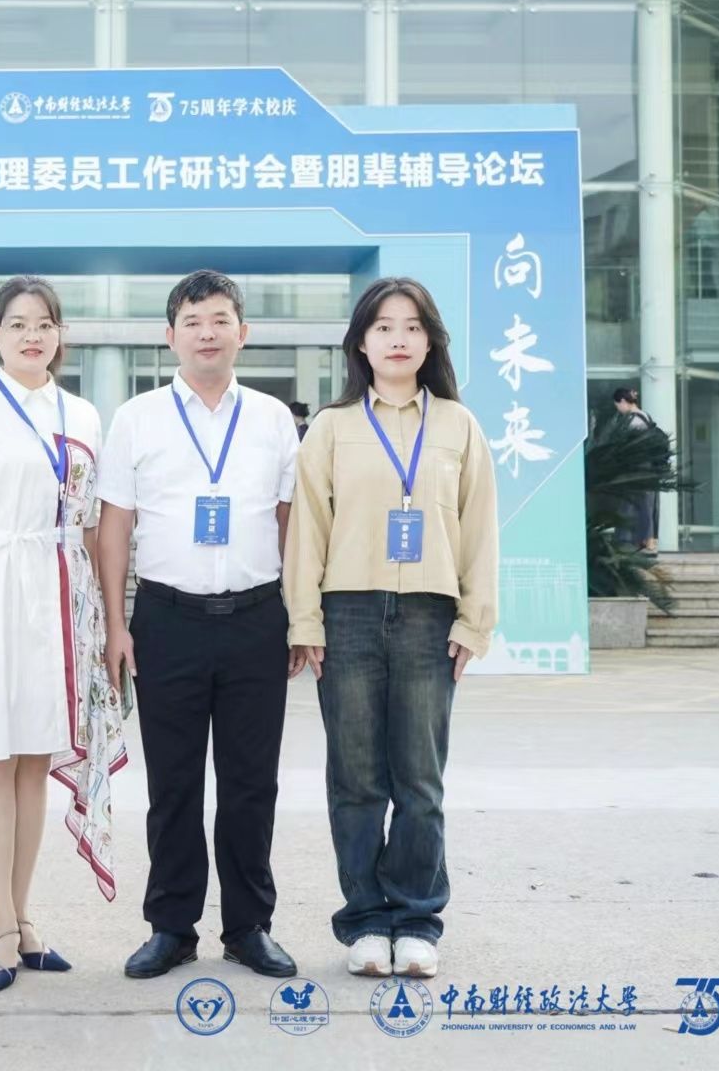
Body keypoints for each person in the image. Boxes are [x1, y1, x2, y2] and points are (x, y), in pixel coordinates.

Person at [283, 276, 498, 981]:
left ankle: (417, 920)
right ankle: (366, 922)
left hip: (429, 615)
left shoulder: (458, 426)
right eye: (383, 327)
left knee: (420, 781)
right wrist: (304, 619)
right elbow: (309, 530)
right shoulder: (333, 426)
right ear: (361, 343)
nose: (398, 339)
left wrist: (474, 620)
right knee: (355, 780)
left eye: (411, 327)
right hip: (346, 612)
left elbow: (479, 529)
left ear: (430, 341)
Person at [0, 275, 127, 993]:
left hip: (59, 597)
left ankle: (23, 917)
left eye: (44, 323)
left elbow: (92, 522)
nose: (32, 335)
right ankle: (1, 925)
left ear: (60, 334)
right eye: (17, 323)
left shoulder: (84, 414)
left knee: (35, 758)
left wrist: (100, 620)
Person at [97, 270, 303, 981]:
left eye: (219, 320)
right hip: (167, 620)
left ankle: (249, 926)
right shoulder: (137, 418)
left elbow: (289, 523)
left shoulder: (273, 419)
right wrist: (117, 623)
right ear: (170, 336)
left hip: (256, 619)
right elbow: (115, 526)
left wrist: (298, 617)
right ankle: (171, 927)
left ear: (243, 332)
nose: (207, 333)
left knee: (251, 784)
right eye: (192, 321)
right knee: (174, 785)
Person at [612, 387, 660, 553]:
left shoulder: (632, 421)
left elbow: (628, 447)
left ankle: (634, 541)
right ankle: (647, 541)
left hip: (637, 467)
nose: (618, 409)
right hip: (648, 467)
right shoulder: (645, 416)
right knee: (646, 504)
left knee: (635, 504)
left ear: (623, 401)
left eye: (617, 405)